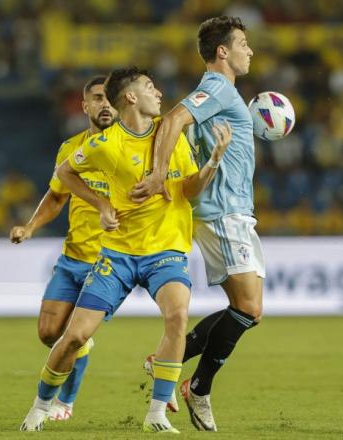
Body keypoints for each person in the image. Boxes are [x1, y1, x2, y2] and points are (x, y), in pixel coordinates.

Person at [19, 67, 232, 433]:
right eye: (150, 87)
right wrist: (101, 203)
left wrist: (213, 161)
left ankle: (156, 414)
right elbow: (66, 173)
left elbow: (189, 190)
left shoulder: (169, 135)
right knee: (73, 337)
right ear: (131, 97)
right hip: (117, 255)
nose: (159, 92)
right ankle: (40, 406)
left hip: (165, 250)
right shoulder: (106, 145)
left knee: (178, 316)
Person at [130, 16, 262, 432]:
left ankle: (174, 365)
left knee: (248, 310)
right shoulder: (217, 87)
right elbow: (172, 121)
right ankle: (194, 384)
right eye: (243, 43)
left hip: (232, 211)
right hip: (223, 213)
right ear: (222, 51)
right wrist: (157, 174)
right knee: (249, 308)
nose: (249, 50)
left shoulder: (223, 93)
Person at [9, 76, 116, 420]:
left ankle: (64, 403)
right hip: (73, 258)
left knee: (72, 335)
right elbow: (56, 196)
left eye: (109, 98)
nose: (104, 105)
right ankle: (82, 348)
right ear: (84, 106)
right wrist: (30, 227)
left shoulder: (131, 147)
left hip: (110, 262)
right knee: (49, 333)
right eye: (97, 99)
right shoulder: (71, 149)